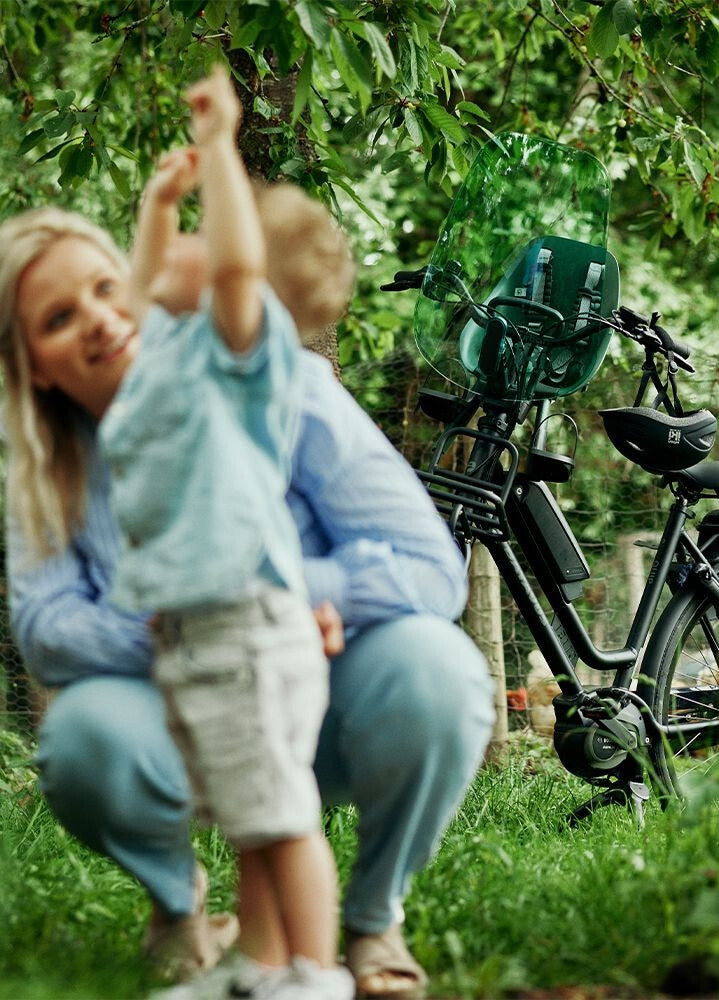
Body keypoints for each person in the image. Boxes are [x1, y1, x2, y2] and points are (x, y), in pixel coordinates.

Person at [0, 84, 494, 1000]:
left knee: (304, 803)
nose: (107, 318)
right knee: (105, 746)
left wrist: (286, 598)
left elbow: (429, 565)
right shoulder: (56, 455)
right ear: (32, 362)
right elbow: (48, 628)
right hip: (184, 671)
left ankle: (339, 950)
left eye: (105, 289)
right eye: (60, 317)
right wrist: (166, 623)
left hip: (281, 647)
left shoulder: (242, 367)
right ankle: (222, 943)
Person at [100, 66, 355, 999]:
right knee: (250, 817)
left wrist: (218, 151)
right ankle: (259, 964)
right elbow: (136, 295)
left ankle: (316, 976)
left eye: (207, 236)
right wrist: (159, 205)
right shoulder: (169, 346)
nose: (193, 246)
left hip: (249, 627)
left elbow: (240, 269)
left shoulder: (241, 360)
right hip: (200, 631)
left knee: (283, 819)